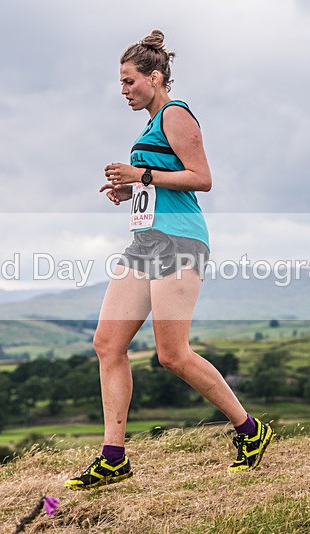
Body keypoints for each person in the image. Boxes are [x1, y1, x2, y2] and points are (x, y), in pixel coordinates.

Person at [65, 30, 273, 491]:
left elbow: (202, 179)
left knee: (172, 354)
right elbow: (163, 180)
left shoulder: (176, 114)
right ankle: (114, 456)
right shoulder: (148, 125)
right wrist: (132, 189)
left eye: (128, 81)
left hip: (179, 242)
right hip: (145, 242)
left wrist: (140, 173)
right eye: (120, 83)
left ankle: (249, 430)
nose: (122, 90)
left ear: (154, 78)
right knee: (107, 344)